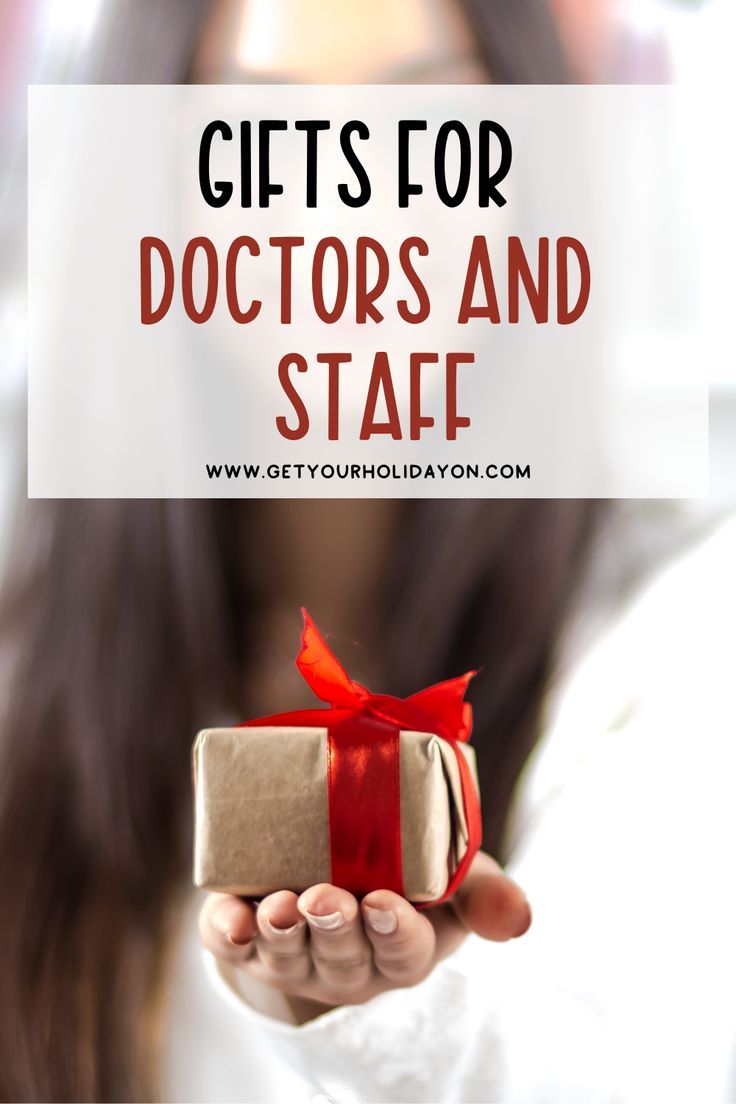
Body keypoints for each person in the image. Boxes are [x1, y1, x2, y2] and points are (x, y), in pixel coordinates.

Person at [2, 3, 735, 1103]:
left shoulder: (675, 630)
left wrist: (396, 1015)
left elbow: (637, 1062)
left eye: (425, 114)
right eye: (257, 131)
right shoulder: (28, 629)